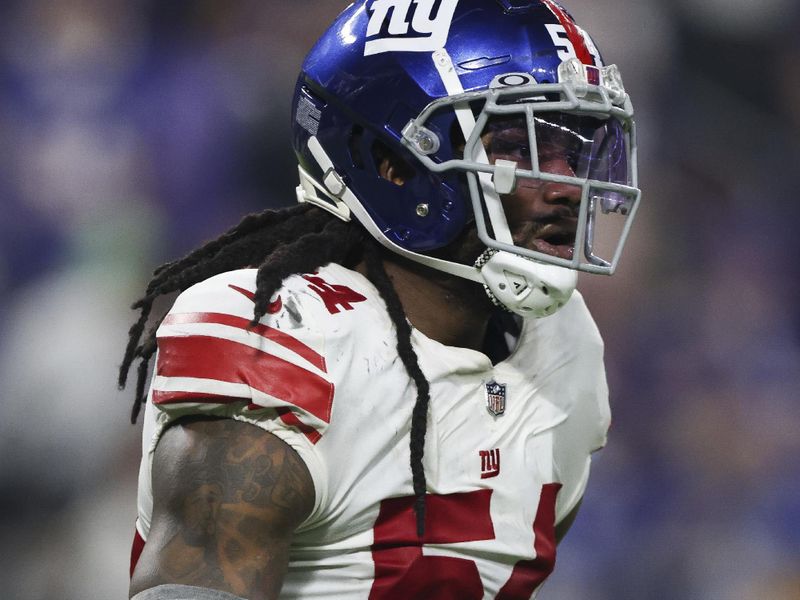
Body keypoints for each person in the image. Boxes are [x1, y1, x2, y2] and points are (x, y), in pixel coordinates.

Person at [121, 1, 640, 598]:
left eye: (573, 150)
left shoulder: (564, 345)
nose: (563, 186)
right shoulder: (282, 338)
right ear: (392, 164)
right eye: (518, 147)